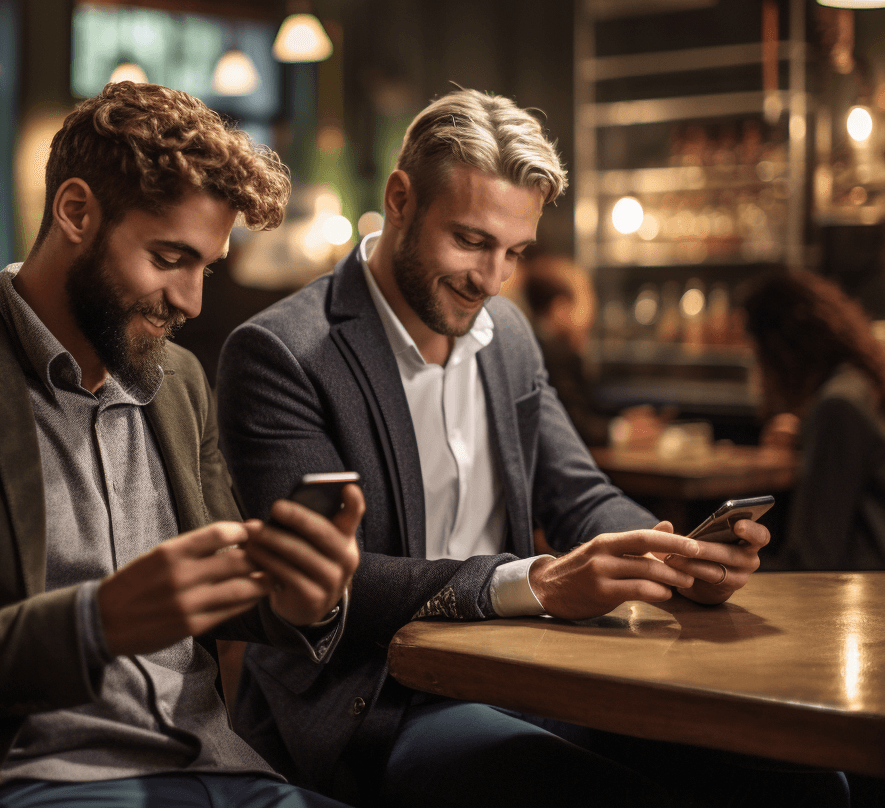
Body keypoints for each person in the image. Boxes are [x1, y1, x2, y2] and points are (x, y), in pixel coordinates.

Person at [218, 89, 844, 807]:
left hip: (527, 671)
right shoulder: (282, 353)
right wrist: (531, 584)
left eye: (514, 251)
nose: (491, 279)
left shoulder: (508, 336)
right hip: (377, 698)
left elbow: (580, 495)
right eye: (472, 241)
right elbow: (324, 588)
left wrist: (678, 556)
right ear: (400, 199)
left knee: (807, 784)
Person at [0, 82, 364, 808]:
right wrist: (93, 624)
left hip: (223, 771)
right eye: (168, 258)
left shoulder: (182, 380)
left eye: (206, 267)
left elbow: (220, 593)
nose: (190, 300)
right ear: (75, 212)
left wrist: (297, 601)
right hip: (33, 781)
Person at [744, 269, 885, 571]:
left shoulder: (837, 405)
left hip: (853, 593)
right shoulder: (856, 385)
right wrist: (806, 438)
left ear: (781, 347)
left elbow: (813, 557)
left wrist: (730, 569)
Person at [522, 254, 664, 448]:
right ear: (560, 308)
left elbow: (584, 408)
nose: (593, 304)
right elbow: (572, 425)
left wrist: (623, 418)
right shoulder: (554, 354)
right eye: (586, 293)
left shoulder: (543, 346)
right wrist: (624, 432)